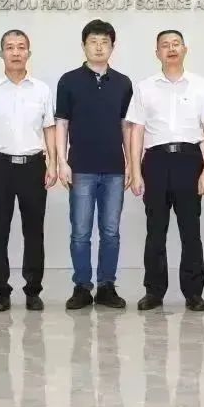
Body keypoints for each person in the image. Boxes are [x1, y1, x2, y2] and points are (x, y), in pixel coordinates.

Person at [127, 29, 204, 312]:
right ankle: (154, 291)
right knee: (155, 230)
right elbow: (136, 131)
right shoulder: (145, 87)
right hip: (155, 161)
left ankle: (194, 293)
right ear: (157, 53)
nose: (171, 49)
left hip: (189, 161)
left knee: (190, 230)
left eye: (176, 44)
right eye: (165, 45)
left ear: (185, 49)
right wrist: (136, 171)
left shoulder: (201, 86)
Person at [0, 30, 57, 312]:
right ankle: (1, 292)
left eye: (21, 47)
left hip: (33, 166)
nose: (16, 52)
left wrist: (53, 163)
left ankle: (33, 291)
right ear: (2, 54)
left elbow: (49, 128)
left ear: (28, 53)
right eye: (10, 47)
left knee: (34, 232)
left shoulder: (41, 90)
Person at [56, 19, 133, 311]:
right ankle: (81, 287)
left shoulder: (123, 83)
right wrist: (62, 161)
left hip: (114, 169)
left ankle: (107, 286)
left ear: (112, 47)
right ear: (84, 45)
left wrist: (131, 163)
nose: (99, 47)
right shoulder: (69, 80)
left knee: (111, 232)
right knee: (81, 232)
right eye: (93, 42)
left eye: (104, 42)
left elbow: (126, 126)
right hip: (81, 168)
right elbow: (62, 123)